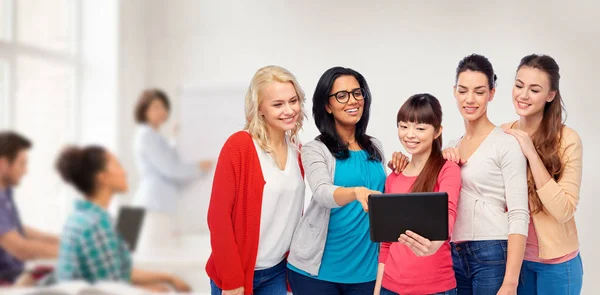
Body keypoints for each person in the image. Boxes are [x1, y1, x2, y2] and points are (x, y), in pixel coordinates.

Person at [205, 65, 306, 295]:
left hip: (277, 272)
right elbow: (218, 217)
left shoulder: (297, 151)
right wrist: (232, 281)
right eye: (278, 104)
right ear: (259, 109)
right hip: (237, 273)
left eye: (293, 100)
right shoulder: (240, 146)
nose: (289, 110)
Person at [287, 66, 386, 295]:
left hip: (367, 271)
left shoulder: (375, 147)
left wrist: (404, 165)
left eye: (357, 93)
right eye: (341, 96)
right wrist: (355, 192)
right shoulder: (315, 149)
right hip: (317, 273)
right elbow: (322, 192)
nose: (352, 101)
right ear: (327, 106)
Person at [446, 54, 530, 295]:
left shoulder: (505, 143)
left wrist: (510, 283)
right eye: (463, 91)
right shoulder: (452, 145)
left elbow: (519, 213)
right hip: (454, 253)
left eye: (479, 91)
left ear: (492, 93)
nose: (469, 99)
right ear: (454, 92)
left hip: (493, 251)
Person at [55, 145, 191, 293]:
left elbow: (118, 274)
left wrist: (166, 277)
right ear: (102, 177)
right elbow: (110, 288)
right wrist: (149, 290)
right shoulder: (96, 225)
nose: (124, 171)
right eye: (117, 165)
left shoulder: (82, 217)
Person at [502, 54, 583, 294]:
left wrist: (531, 153)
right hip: (515, 263)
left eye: (534, 89)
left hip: (558, 266)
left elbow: (563, 210)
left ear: (550, 95)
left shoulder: (567, 139)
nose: (523, 95)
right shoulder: (503, 134)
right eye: (519, 85)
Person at [375, 94, 461, 295]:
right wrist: (378, 290)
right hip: (390, 287)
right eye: (403, 126)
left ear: (437, 131)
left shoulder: (447, 170)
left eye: (420, 128)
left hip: (435, 288)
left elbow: (449, 210)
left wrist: (435, 243)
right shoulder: (393, 178)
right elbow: (387, 243)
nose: (410, 134)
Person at [132, 88, 212, 253]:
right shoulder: (146, 135)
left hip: (158, 206)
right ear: (144, 110)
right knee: (155, 257)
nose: (161, 111)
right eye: (155, 107)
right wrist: (199, 167)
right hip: (153, 206)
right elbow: (170, 168)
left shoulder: (155, 136)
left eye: (163, 107)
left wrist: (176, 138)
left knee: (160, 254)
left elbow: (170, 160)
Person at [0, 131, 59, 285]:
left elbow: (17, 229)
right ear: (4, 164)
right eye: (22, 163)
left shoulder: (5, 192)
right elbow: (20, 248)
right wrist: (72, 252)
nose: (25, 171)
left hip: (15, 275)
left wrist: (62, 240)